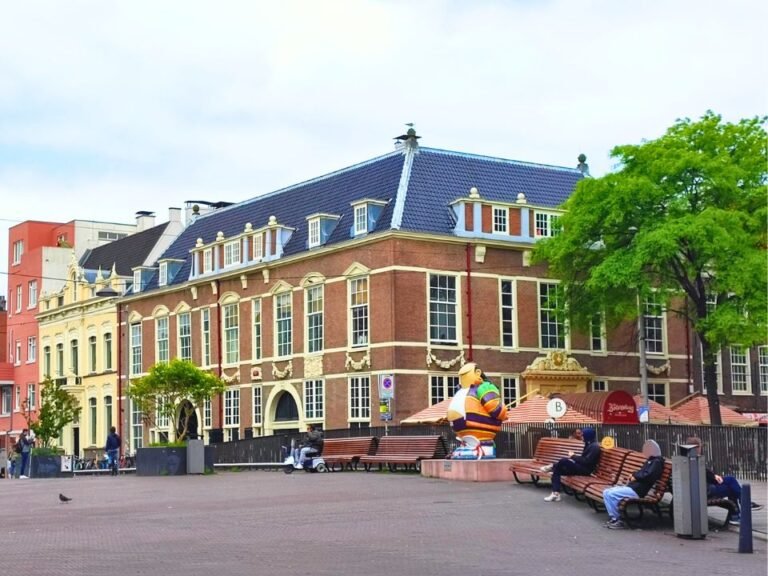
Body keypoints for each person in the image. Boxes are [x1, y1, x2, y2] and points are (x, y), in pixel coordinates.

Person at [685, 436, 763, 525]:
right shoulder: (696, 460)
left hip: (700, 489)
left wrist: (714, 476)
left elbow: (706, 474)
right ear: (696, 447)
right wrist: (714, 477)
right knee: (731, 485)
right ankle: (742, 507)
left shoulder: (687, 459)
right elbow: (707, 476)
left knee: (731, 482)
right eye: (700, 446)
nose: (701, 448)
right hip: (706, 491)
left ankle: (737, 513)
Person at [602, 440, 665, 529]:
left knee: (611, 494)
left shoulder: (656, 462)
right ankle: (614, 518)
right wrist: (634, 475)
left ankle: (617, 519)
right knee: (606, 492)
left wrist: (635, 476)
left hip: (637, 490)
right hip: (633, 487)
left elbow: (648, 475)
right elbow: (643, 473)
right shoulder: (651, 461)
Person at [542, 427, 600, 502]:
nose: (581, 437)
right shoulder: (588, 444)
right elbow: (583, 459)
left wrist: (573, 456)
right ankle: (555, 493)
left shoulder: (594, 447)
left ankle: (552, 466)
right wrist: (574, 458)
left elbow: (586, 461)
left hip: (586, 470)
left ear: (588, 435)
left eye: (583, 435)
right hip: (581, 467)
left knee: (564, 461)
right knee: (558, 470)